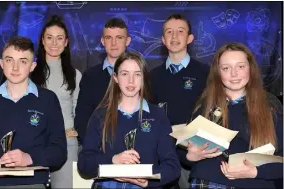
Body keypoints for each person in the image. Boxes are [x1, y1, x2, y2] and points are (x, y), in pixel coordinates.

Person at [0, 36, 67, 188]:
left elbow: (59, 151)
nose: (15, 68)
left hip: (32, 183)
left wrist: (29, 158)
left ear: (33, 66)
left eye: (23, 61)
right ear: (2, 64)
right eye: (10, 60)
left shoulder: (48, 100)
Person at [178, 42, 283, 189]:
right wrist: (190, 156)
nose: (234, 74)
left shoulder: (271, 106)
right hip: (205, 182)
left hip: (253, 183)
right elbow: (182, 152)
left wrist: (256, 172)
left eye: (240, 66)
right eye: (226, 68)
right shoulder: (204, 104)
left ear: (251, 69)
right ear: (217, 72)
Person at [78, 51, 181, 189]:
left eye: (137, 74)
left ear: (144, 78)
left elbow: (172, 167)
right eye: (125, 74)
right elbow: (84, 163)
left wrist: (148, 180)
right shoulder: (100, 116)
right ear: (115, 77)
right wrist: (113, 160)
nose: (131, 81)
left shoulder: (158, 115)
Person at [150, 14, 209, 188]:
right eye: (169, 32)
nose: (174, 36)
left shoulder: (206, 73)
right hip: (161, 155)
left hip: (194, 155)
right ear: (162, 39)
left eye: (180, 31)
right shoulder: (151, 76)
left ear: (190, 38)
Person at [31, 15, 82, 188]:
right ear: (42, 41)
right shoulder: (29, 72)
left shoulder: (75, 75)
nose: (54, 43)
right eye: (49, 38)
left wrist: (73, 129)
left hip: (67, 145)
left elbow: (77, 109)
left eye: (59, 38)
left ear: (66, 42)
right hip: (34, 144)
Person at [75, 17, 131, 145]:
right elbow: (82, 118)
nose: (114, 43)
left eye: (119, 38)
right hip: (97, 150)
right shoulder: (90, 76)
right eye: (108, 38)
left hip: (133, 150)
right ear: (102, 41)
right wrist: (93, 147)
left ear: (127, 41)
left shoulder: (140, 75)